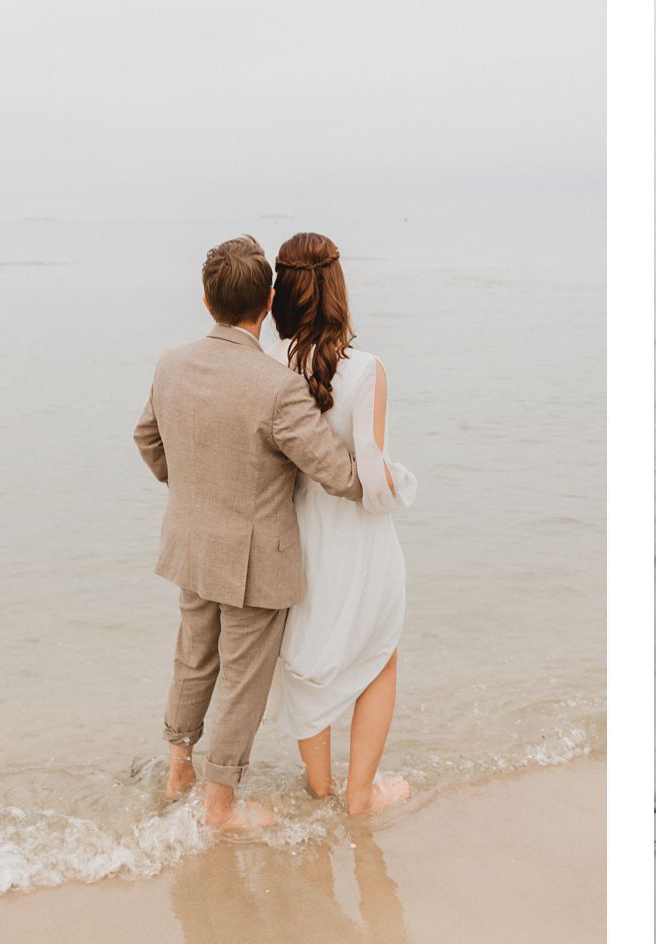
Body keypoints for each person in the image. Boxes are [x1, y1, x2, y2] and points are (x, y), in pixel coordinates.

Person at [133, 235, 367, 830]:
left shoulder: (171, 363)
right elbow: (337, 473)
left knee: (193, 659)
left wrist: (188, 489)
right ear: (267, 302)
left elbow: (147, 439)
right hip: (255, 562)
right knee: (242, 680)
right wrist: (387, 479)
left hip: (191, 543)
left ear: (206, 297)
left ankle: (178, 766)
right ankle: (219, 805)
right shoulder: (277, 387)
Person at [265, 232, 416, 816]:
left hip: (293, 536)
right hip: (357, 539)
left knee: (307, 661)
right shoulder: (367, 370)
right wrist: (406, 483)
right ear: (337, 287)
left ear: (281, 291)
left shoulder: (266, 363)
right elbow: (372, 482)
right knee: (378, 654)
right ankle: (359, 796)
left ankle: (320, 787)